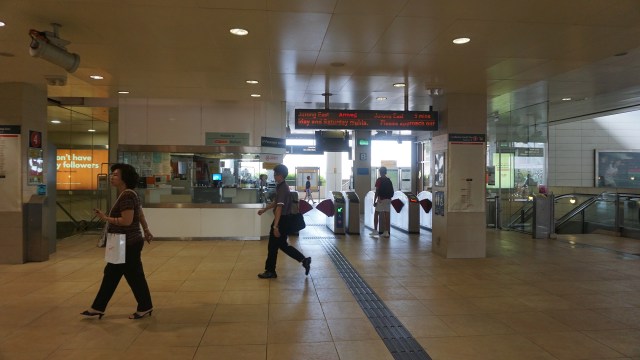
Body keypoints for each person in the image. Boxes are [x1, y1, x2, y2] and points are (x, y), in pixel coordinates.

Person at [82, 163, 154, 320]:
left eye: (115, 175)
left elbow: (127, 221)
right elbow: (140, 215)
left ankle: (144, 305)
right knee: (114, 274)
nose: (111, 177)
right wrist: (146, 230)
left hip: (125, 243)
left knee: (129, 275)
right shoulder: (130, 194)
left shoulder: (127, 196)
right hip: (126, 242)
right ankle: (98, 307)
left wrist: (105, 218)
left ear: (124, 179)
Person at [256, 164, 311, 279]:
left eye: (275, 174)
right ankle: (304, 260)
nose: (274, 176)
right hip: (282, 221)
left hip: (281, 221)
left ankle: (270, 271)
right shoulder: (281, 186)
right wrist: (264, 209)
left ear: (280, 175)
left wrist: (275, 227)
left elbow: (280, 208)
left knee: (272, 246)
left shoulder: (283, 188)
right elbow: (276, 203)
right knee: (282, 245)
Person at [373, 167, 393, 238]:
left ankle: (375, 231)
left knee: (376, 214)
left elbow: (377, 191)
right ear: (386, 172)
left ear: (380, 172)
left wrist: (374, 200)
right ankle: (386, 232)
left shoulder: (379, 180)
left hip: (381, 199)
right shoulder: (389, 180)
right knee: (387, 215)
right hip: (388, 199)